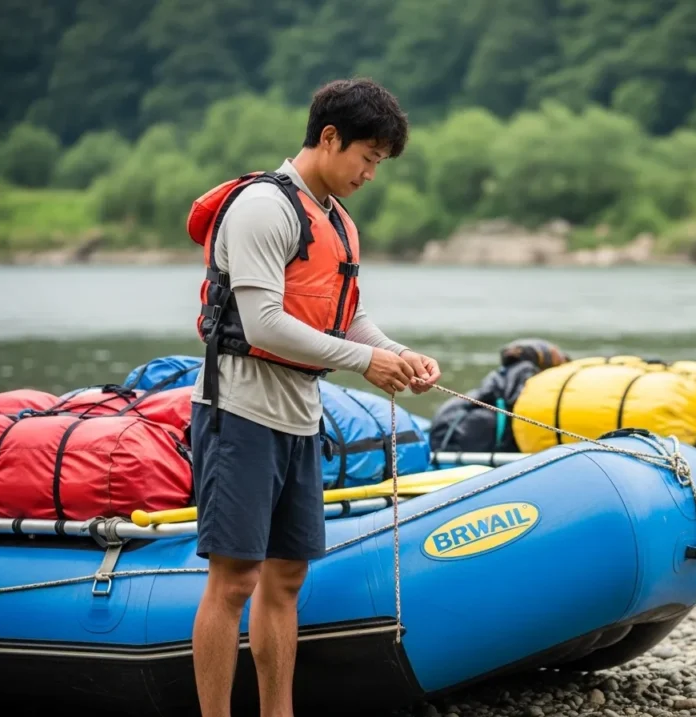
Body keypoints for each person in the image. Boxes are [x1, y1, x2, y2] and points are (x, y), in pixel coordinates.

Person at [187, 78, 441, 717]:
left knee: (287, 578)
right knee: (235, 579)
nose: (370, 174)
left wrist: (397, 354)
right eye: (367, 157)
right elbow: (266, 322)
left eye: (378, 163)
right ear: (329, 137)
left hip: (300, 417)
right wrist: (366, 363)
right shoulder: (262, 208)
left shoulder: (337, 221)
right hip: (239, 412)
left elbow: (347, 320)